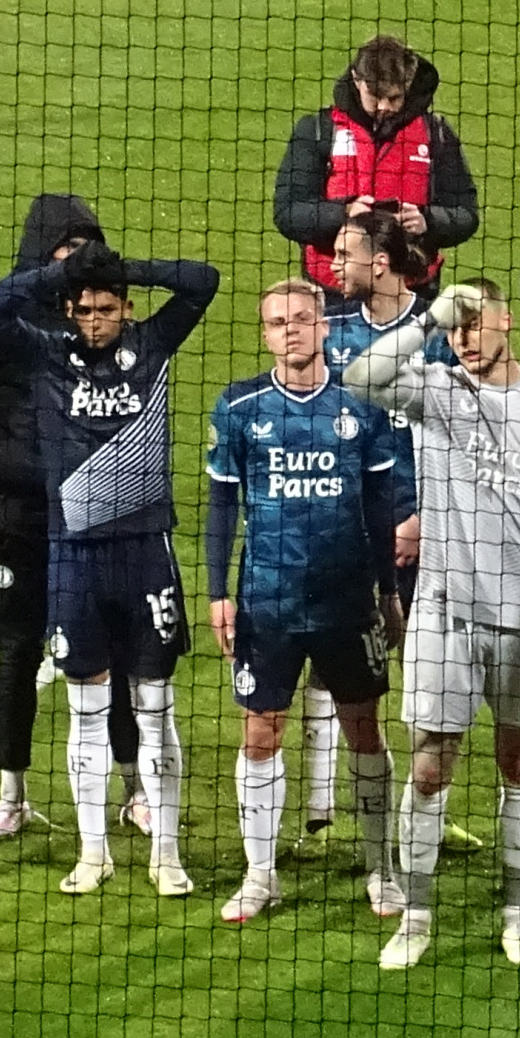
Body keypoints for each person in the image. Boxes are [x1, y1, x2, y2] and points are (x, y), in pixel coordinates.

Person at [349, 277, 520, 971]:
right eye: (455, 328)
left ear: (507, 322)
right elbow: (363, 376)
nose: (464, 339)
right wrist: (428, 316)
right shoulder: (435, 392)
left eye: (473, 323)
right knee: (429, 769)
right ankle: (417, 917)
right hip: (443, 614)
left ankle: (517, 916)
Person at [0, 240, 222, 897]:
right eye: (82, 308)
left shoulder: (155, 344)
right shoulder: (49, 354)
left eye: (105, 308)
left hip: (145, 553)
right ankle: (92, 853)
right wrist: (58, 275)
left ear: (128, 310)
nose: (92, 319)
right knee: (85, 710)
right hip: (73, 557)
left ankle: (166, 854)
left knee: (155, 707)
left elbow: (202, 280)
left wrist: (120, 266)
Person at [0, 195, 141, 846]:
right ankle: (11, 795)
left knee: (116, 650)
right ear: (40, 253)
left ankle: (135, 789)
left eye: (86, 251)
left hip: (93, 513)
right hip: (16, 512)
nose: (77, 264)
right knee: (18, 651)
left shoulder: (100, 320)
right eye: (66, 251)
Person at [203, 282, 416, 925]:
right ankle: (259, 874)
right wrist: (218, 593)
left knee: (363, 728)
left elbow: (381, 507)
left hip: (347, 601)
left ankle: (381, 869)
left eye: (301, 319)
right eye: (277, 322)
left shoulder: (361, 405)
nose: (290, 330)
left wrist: (388, 593)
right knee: (261, 731)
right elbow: (221, 504)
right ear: (264, 334)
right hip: (266, 601)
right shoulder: (240, 406)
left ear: (323, 326)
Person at [302, 205, 432, 840]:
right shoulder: (335, 331)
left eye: (344, 255)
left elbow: (465, 437)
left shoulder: (436, 337)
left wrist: (422, 519)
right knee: (332, 664)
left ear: (380, 263)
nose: (333, 266)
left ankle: (419, 808)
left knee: (427, 673)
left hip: (426, 536)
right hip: (348, 534)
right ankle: (321, 809)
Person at [270, 35, 481, 289]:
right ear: (357, 80)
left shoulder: (436, 133)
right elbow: (288, 213)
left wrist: (427, 220)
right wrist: (345, 214)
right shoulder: (318, 130)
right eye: (375, 96)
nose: (384, 106)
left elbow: (466, 214)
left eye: (394, 98)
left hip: (412, 290)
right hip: (333, 293)